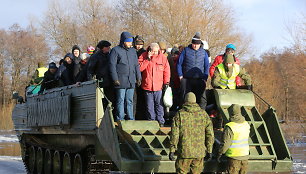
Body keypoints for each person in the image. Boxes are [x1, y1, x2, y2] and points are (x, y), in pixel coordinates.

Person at [169, 92, 214, 174]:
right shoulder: (203, 114)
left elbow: (174, 134)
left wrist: (172, 149)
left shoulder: (180, 114)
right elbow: (210, 134)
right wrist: (209, 150)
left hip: (184, 152)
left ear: (185, 101)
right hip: (199, 153)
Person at [109, 32, 142, 121]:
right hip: (121, 80)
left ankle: (130, 118)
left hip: (131, 80)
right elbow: (112, 65)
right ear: (123, 41)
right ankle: (120, 118)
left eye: (131, 42)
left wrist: (139, 77)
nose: (130, 44)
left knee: (130, 100)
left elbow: (136, 65)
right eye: (128, 42)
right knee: (120, 100)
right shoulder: (115, 50)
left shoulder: (133, 51)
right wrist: (115, 79)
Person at [138, 43, 170, 126]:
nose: (155, 53)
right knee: (149, 106)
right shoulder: (143, 56)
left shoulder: (163, 58)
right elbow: (140, 68)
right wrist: (147, 59)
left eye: (156, 51)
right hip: (147, 86)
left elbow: (167, 71)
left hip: (159, 86)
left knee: (159, 105)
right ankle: (151, 122)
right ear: (150, 50)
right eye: (153, 51)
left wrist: (166, 82)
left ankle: (161, 121)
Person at [177, 32, 209, 109]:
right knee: (184, 98)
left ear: (200, 44)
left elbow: (207, 66)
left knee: (201, 99)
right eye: (194, 44)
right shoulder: (186, 50)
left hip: (200, 80)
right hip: (186, 80)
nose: (195, 45)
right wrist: (180, 76)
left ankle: (201, 114)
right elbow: (179, 64)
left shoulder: (204, 53)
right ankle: (183, 112)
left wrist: (205, 78)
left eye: (197, 44)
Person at [217, 104, 250, 174]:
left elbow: (225, 144)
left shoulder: (230, 127)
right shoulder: (246, 124)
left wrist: (219, 154)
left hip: (234, 158)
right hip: (245, 157)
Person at [87, 40, 114, 107]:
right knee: (103, 101)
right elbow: (90, 70)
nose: (109, 48)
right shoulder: (95, 57)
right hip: (101, 82)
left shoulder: (110, 55)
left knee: (111, 100)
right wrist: (91, 81)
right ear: (102, 48)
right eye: (107, 47)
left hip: (110, 81)